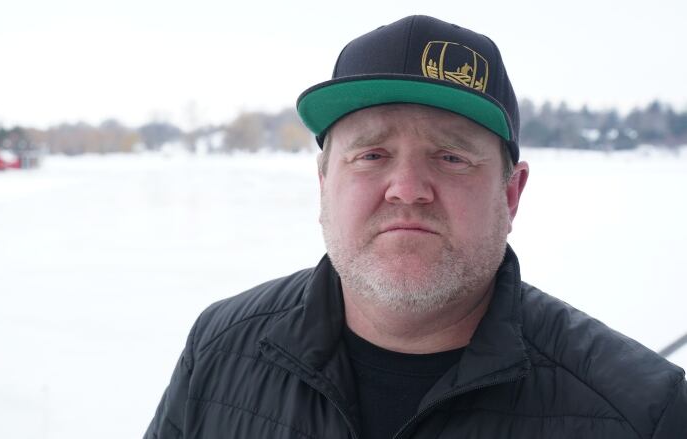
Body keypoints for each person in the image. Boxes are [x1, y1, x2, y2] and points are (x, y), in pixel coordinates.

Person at [144, 15, 687, 438]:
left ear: (511, 193)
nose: (407, 187)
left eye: (451, 157)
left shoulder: (644, 412)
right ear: (323, 183)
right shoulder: (218, 352)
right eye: (372, 154)